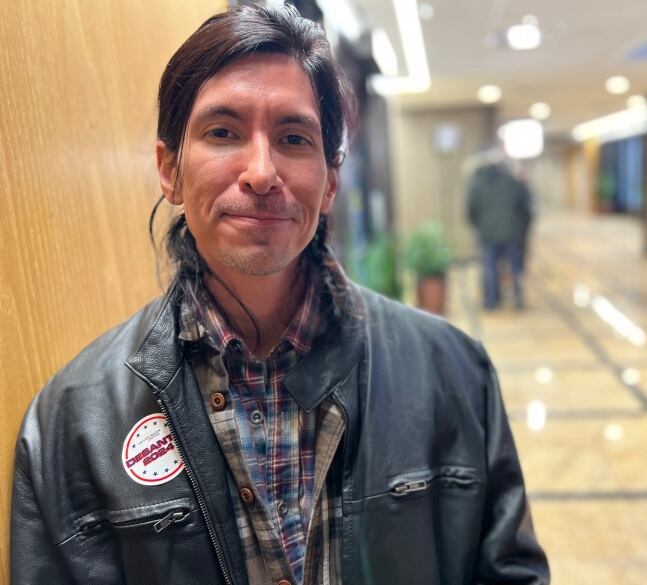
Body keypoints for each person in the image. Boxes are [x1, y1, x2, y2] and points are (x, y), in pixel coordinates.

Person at [11, 5, 549, 584]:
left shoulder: (453, 372)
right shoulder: (73, 419)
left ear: (330, 182)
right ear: (170, 169)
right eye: (223, 132)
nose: (262, 172)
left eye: (293, 138)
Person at [467, 151, 534, 309]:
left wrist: (479, 226)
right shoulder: (511, 181)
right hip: (511, 232)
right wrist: (520, 227)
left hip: (487, 233)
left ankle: (492, 301)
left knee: (490, 268)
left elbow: (471, 209)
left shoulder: (477, 183)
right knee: (514, 266)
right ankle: (518, 297)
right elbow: (524, 206)